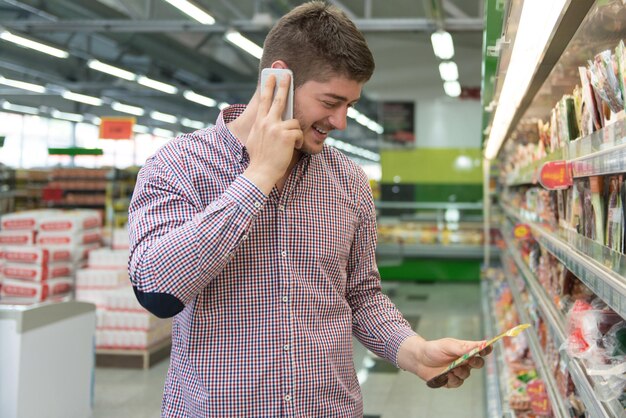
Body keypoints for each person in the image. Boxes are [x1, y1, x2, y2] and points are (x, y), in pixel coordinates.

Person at [128, 2, 491, 416]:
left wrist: (414, 351)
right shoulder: (177, 165)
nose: (341, 122)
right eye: (331, 101)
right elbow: (157, 290)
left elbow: (361, 297)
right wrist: (259, 175)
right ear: (277, 81)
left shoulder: (348, 180)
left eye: (349, 106)